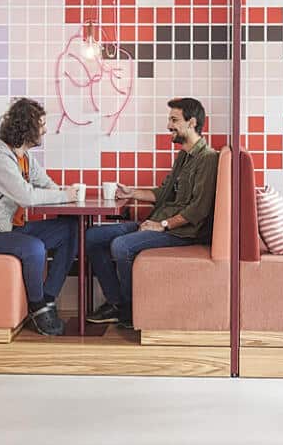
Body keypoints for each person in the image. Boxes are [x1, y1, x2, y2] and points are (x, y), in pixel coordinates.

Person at [84, 98, 218, 329]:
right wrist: (131, 192)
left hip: (184, 232)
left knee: (121, 246)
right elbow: (163, 193)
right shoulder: (184, 156)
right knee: (92, 238)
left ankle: (128, 309)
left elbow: (198, 210)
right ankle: (117, 303)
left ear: (192, 122)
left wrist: (162, 225)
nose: (169, 126)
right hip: (161, 222)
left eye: (174, 120)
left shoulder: (208, 159)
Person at [0, 97, 81, 336]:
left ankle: (47, 298)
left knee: (71, 228)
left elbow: (44, 184)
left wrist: (68, 194)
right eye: (41, 124)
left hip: (5, 229)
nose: (45, 129)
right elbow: (28, 197)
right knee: (34, 248)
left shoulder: (22, 156)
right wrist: (64, 195)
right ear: (27, 127)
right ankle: (37, 307)